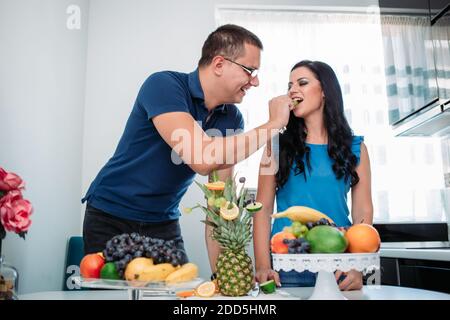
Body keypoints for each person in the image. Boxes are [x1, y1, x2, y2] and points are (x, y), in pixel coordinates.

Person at [81, 24, 293, 272]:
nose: (254, 82)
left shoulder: (231, 119)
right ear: (219, 64)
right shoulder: (164, 86)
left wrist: (219, 276)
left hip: (163, 221)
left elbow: (219, 203)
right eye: (249, 70)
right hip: (111, 215)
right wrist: (274, 124)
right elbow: (201, 159)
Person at [253, 60, 373, 291]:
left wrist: (356, 265)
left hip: (340, 264)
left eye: (302, 83)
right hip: (287, 263)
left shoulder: (356, 148)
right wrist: (262, 265)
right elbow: (263, 208)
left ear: (325, 91)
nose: (292, 90)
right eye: (289, 85)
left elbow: (363, 211)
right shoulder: (275, 145)